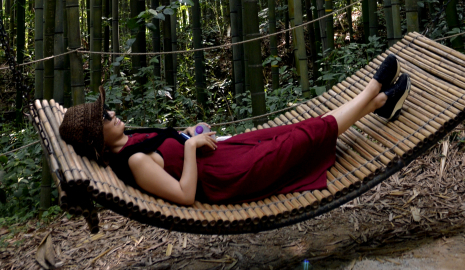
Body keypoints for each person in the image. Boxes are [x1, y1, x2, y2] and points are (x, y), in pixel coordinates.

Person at [59, 57, 411, 206]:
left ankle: (381, 102)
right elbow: (184, 194)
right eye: (105, 116)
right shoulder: (133, 162)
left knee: (301, 127)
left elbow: (172, 149)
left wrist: (190, 134)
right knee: (304, 138)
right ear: (96, 137)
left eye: (106, 110)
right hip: (231, 176)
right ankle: (372, 93)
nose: (113, 113)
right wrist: (194, 146)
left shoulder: (131, 139)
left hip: (227, 153)